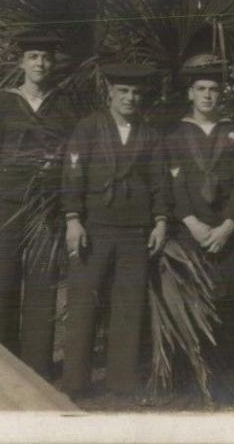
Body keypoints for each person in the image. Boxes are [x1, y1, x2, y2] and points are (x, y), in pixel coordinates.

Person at [0, 31, 80, 379]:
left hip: (47, 208)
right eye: (33, 57)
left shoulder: (64, 106)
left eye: (46, 58)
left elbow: (74, 158)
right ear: (21, 63)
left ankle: (36, 368)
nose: (40, 63)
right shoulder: (1, 104)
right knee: (1, 282)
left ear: (53, 63)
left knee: (41, 284)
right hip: (5, 203)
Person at [60, 63, 170, 399]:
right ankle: (76, 382)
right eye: (123, 91)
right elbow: (73, 173)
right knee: (83, 301)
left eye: (136, 93)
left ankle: (120, 379)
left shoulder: (149, 134)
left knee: (128, 303)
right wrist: (73, 219)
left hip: (135, 230)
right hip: (93, 227)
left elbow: (160, 181)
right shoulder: (89, 127)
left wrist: (161, 221)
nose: (130, 98)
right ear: (110, 93)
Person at [165, 54, 234, 401]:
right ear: (190, 93)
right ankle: (188, 379)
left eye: (214, 89)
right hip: (190, 233)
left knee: (225, 304)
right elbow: (173, 184)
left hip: (223, 235)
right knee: (190, 301)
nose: (207, 96)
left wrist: (228, 225)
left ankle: (223, 380)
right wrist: (191, 222)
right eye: (201, 88)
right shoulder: (176, 135)